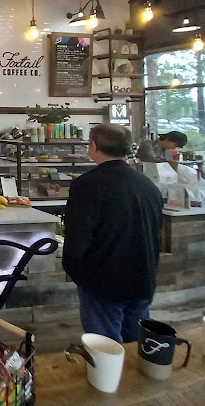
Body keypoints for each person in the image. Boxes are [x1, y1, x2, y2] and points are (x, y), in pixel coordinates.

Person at [62, 123, 163, 343]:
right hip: (143, 277)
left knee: (106, 346)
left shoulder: (87, 185)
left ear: (93, 146)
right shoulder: (148, 185)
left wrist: (75, 270)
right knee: (138, 344)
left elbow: (78, 236)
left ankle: (112, 378)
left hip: (103, 282)